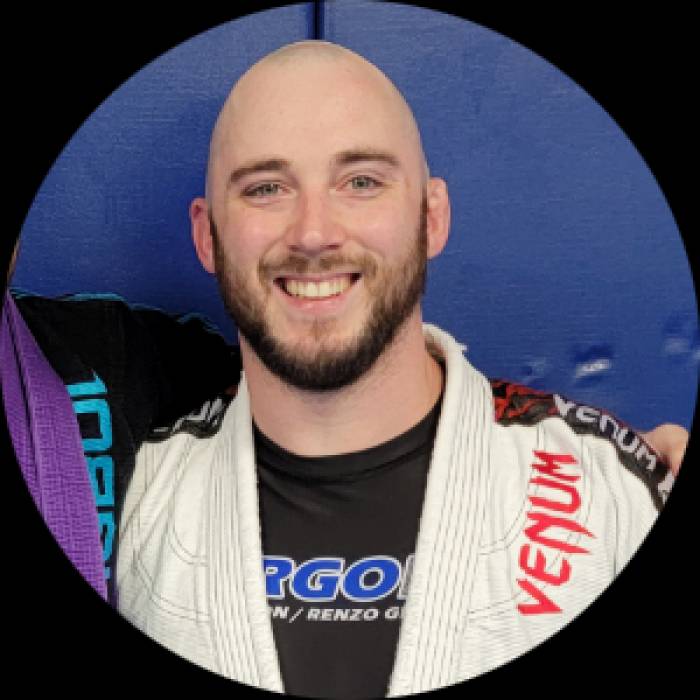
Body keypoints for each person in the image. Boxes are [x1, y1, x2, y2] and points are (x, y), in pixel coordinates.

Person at [111, 41, 687, 698]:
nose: (314, 234)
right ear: (207, 236)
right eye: (265, 188)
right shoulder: (138, 499)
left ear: (431, 217)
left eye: (361, 182)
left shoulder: (608, 491)